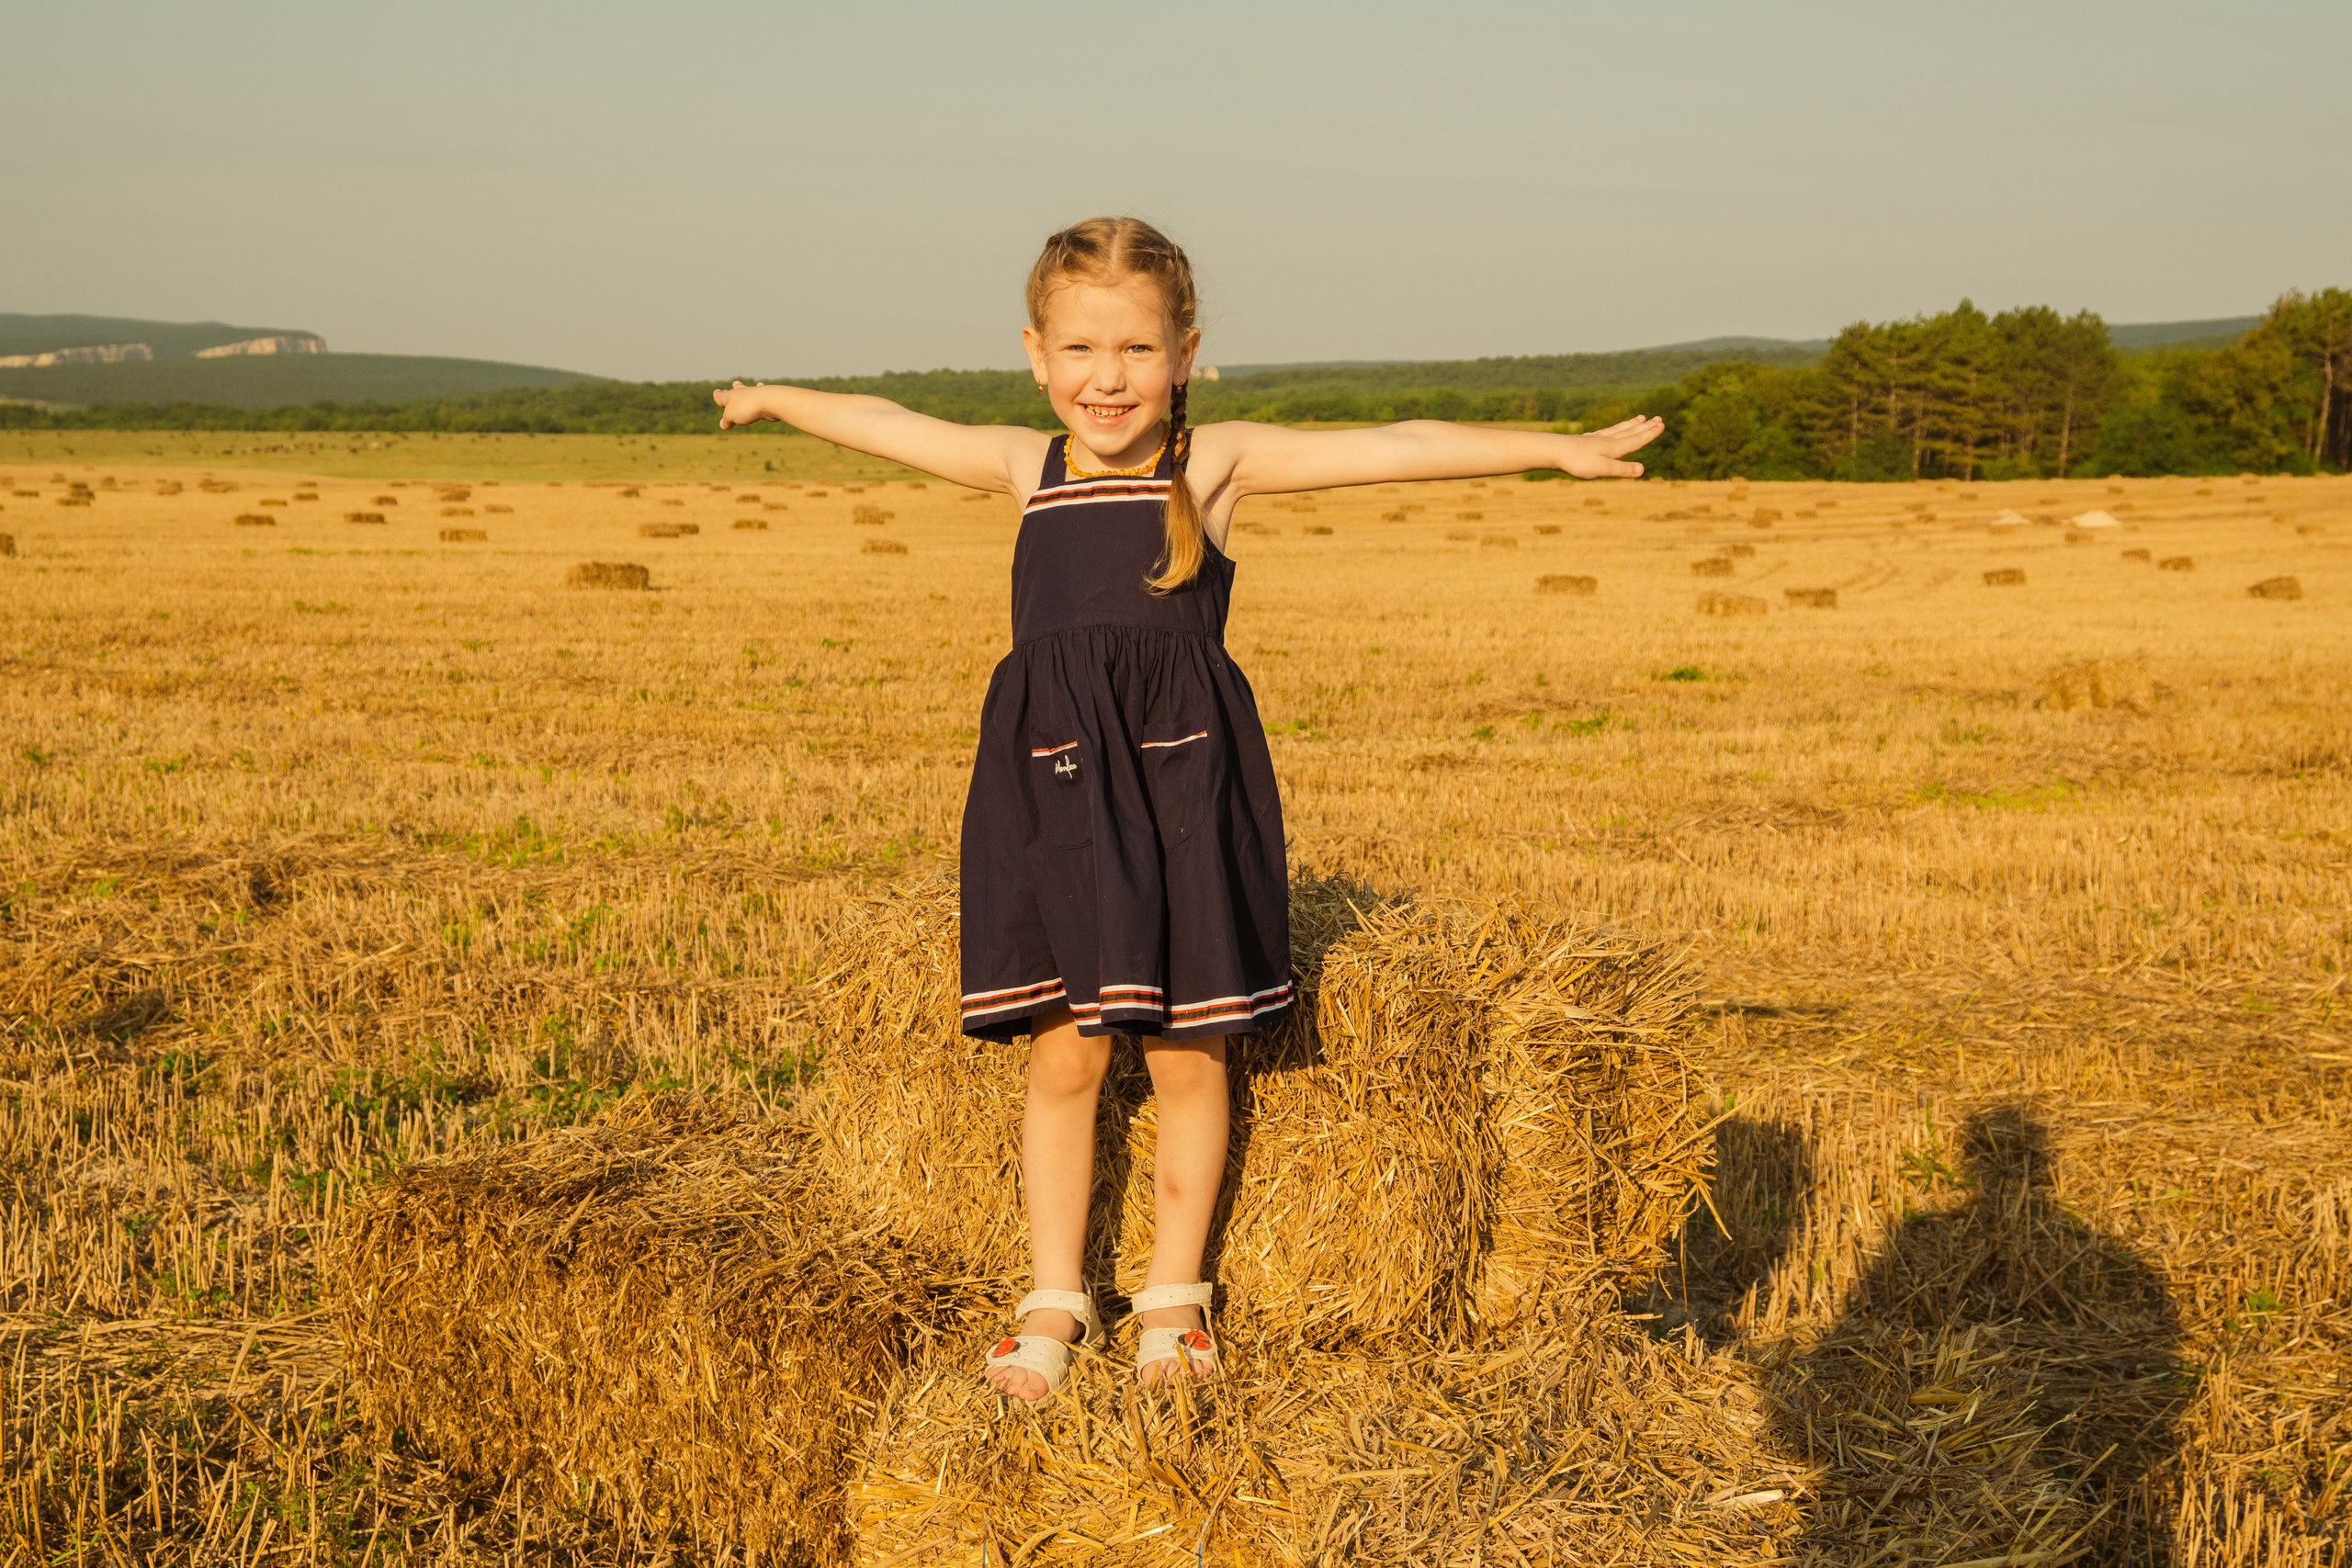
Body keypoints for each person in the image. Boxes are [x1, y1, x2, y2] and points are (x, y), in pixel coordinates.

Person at [714, 217, 1662, 1404]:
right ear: (1035, 352)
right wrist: (775, 400)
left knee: (1186, 1054)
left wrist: (1553, 451)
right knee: (1062, 1057)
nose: (1107, 378)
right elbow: (892, 427)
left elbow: (1394, 444)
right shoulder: (1027, 467)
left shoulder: (1209, 469)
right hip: (1053, 794)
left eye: (1136, 350)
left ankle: (1175, 1300)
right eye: (1080, 349)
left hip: (1177, 795)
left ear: (1186, 353)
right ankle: (1054, 1293)